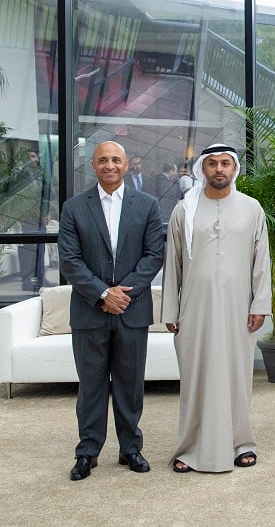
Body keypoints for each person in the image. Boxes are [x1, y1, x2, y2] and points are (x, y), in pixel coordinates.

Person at [58, 141, 165, 481]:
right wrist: (103, 293)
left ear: (126, 164)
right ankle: (87, 452)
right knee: (91, 385)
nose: (109, 165)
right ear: (93, 165)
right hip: (89, 312)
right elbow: (69, 260)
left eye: (115, 159)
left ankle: (130, 448)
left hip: (132, 311)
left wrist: (123, 294)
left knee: (130, 385)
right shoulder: (74, 208)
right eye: (102, 160)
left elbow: (154, 255)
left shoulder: (147, 205)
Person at [161, 144, 271, 473]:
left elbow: (261, 261)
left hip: (239, 307)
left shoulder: (251, 208)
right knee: (195, 377)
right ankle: (190, 447)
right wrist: (170, 310)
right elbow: (172, 263)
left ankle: (241, 444)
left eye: (225, 163)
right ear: (202, 169)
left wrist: (260, 304)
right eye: (212, 164)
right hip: (194, 308)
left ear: (234, 169)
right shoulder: (184, 210)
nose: (219, 169)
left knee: (237, 377)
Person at [17, 150, 53, 292]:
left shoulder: (39, 174)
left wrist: (47, 212)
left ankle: (41, 278)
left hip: (40, 219)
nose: (33, 159)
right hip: (27, 218)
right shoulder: (20, 176)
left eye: (34, 156)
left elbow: (45, 195)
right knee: (29, 249)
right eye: (30, 157)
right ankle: (27, 281)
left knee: (40, 249)